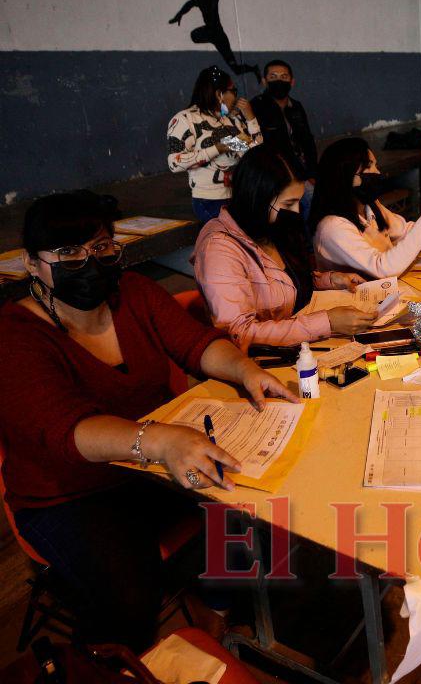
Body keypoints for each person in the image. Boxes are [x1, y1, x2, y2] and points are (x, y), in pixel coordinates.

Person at [0, 190, 296, 651]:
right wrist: (157, 440)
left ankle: (215, 612)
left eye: (101, 247)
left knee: (251, 505)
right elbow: (64, 430)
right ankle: (103, 666)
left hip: (152, 468)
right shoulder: (17, 337)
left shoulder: (132, 294)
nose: (90, 262)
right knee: (128, 595)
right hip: (69, 492)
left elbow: (195, 343)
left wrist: (246, 371)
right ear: (33, 265)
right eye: (69, 253)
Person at [193, 146, 374, 353]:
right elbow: (238, 333)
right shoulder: (219, 249)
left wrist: (330, 280)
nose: (296, 211)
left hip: (302, 349)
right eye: (289, 203)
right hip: (261, 363)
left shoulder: (270, 227)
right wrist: (328, 323)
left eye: (298, 201)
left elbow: (285, 285)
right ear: (258, 198)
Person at [311, 137, 421, 278]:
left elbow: (406, 233)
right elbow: (382, 268)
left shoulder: (370, 205)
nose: (377, 172)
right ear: (345, 176)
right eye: (369, 167)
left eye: (376, 165)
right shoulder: (332, 227)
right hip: (353, 299)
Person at [168, 66, 263, 224]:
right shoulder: (185, 119)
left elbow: (256, 155)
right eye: (233, 90)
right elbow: (174, 163)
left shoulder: (230, 119)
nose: (236, 96)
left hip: (239, 195)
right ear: (220, 94)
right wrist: (217, 148)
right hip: (209, 200)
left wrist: (251, 119)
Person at [250, 60, 318, 181]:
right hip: (277, 176)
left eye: (284, 77)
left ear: (292, 82)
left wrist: (312, 173)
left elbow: (308, 141)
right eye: (273, 77)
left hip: (303, 171)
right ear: (264, 81)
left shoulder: (296, 106)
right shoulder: (255, 107)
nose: (279, 81)